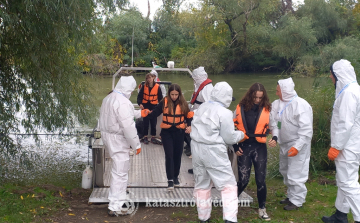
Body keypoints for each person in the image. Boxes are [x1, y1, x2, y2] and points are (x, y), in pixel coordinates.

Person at [191, 82, 244, 223]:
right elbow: (229, 137)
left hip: (196, 149)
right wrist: (241, 134)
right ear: (226, 97)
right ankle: (230, 219)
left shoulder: (201, 107)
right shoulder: (225, 113)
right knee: (228, 185)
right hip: (213, 151)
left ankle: (203, 218)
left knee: (202, 184)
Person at [98, 76, 143, 216]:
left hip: (108, 136)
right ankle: (115, 206)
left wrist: (141, 113)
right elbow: (128, 126)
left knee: (117, 170)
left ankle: (115, 201)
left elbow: (122, 115)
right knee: (120, 172)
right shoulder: (123, 102)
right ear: (129, 88)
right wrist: (136, 144)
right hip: (118, 139)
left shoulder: (109, 98)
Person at [322, 59, 360, 223]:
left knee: (348, 183)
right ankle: (340, 214)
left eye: (331, 74)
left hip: (347, 146)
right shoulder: (354, 89)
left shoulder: (348, 93)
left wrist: (336, 146)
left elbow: (345, 122)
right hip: (352, 144)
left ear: (338, 74)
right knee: (345, 180)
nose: (330, 77)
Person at [268, 77, 313, 211]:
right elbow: (274, 122)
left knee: (296, 172)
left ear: (285, 90)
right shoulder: (276, 104)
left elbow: (306, 130)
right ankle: (291, 195)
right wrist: (275, 136)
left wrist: (297, 147)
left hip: (297, 143)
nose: (276, 93)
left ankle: (297, 200)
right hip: (284, 143)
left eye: (278, 91)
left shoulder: (301, 105)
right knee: (285, 171)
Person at [233, 83, 272, 221]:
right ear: (251, 95)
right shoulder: (240, 107)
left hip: (259, 147)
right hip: (244, 146)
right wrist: (235, 147)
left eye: (260, 98)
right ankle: (231, 205)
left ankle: (262, 209)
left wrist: (275, 137)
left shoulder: (268, 108)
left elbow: (275, 126)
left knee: (260, 180)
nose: (257, 100)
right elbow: (231, 129)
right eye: (255, 97)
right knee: (243, 180)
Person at [142, 84, 193, 191]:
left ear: (179, 94)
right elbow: (155, 113)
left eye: (176, 95)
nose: (174, 97)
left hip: (179, 132)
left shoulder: (183, 103)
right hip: (167, 133)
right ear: (169, 94)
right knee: (169, 155)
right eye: (172, 94)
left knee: (177, 156)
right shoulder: (164, 102)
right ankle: (170, 179)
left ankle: (175, 177)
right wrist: (145, 113)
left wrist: (189, 126)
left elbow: (188, 116)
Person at [186, 66, 213, 173]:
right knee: (196, 143)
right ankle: (198, 167)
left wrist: (196, 113)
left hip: (202, 120)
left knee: (201, 145)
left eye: (194, 78)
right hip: (197, 117)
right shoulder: (200, 86)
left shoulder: (207, 88)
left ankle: (201, 169)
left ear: (198, 77)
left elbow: (208, 106)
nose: (193, 80)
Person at [137, 72, 163, 145]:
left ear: (153, 78)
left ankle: (153, 137)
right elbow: (139, 97)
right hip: (145, 106)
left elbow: (161, 98)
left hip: (154, 106)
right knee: (146, 122)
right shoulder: (144, 86)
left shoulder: (157, 87)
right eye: (147, 78)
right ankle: (145, 137)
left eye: (150, 78)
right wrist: (140, 104)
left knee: (153, 122)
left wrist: (160, 107)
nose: (149, 79)